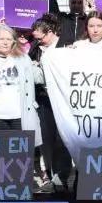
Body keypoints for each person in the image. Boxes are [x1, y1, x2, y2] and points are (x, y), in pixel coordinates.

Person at [0, 25, 46, 189]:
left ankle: (21, 190)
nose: (5, 42)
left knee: (21, 157)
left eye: (9, 39)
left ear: (14, 41)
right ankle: (2, 191)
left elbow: (40, 78)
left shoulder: (24, 59)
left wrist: (46, 55)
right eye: (2, 39)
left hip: (20, 116)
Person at [30, 15, 74, 189]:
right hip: (44, 100)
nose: (38, 42)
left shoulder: (67, 46)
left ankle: (61, 176)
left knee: (61, 138)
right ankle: (50, 173)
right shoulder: (36, 48)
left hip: (63, 100)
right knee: (47, 139)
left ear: (50, 32)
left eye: (40, 39)